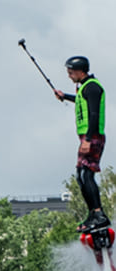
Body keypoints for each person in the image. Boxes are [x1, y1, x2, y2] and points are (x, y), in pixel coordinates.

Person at [54, 56, 110, 233]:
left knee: (86, 175)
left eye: (70, 73)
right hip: (87, 137)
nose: (69, 76)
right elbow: (81, 101)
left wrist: (87, 140)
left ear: (80, 71)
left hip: (92, 137)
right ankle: (93, 213)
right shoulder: (85, 87)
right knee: (81, 175)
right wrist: (65, 97)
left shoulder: (93, 87)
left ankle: (99, 214)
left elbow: (94, 114)